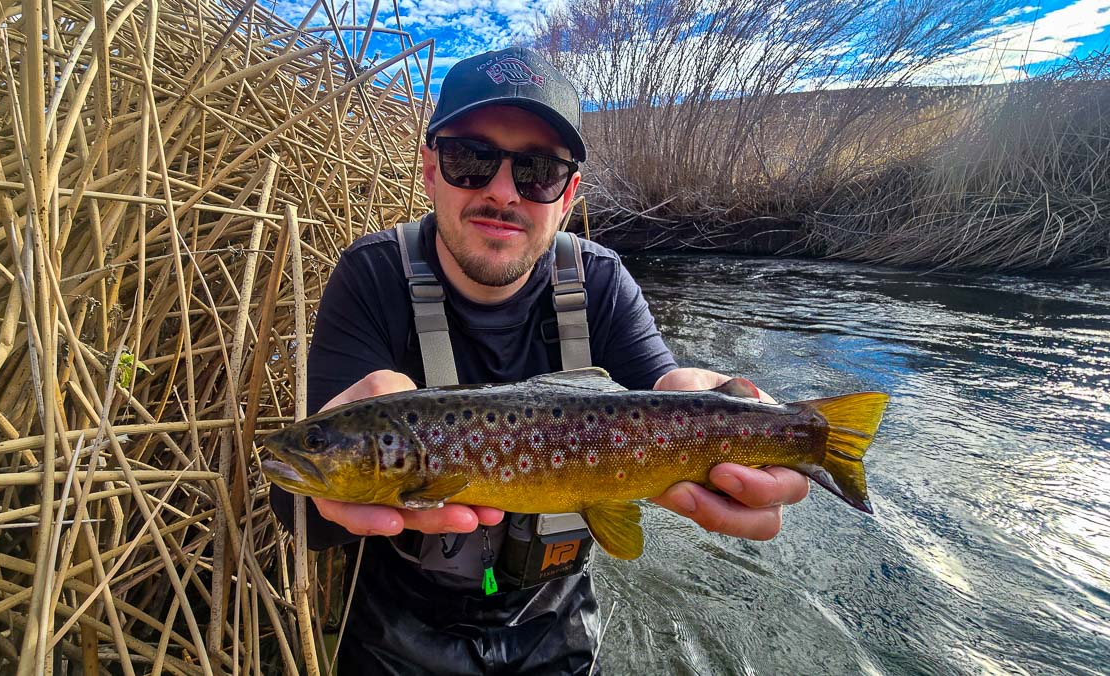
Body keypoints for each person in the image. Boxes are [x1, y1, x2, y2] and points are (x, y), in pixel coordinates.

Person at [270, 46, 809, 675]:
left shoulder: (601, 284)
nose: (502, 192)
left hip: (556, 615)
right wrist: (319, 498)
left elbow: (666, 388)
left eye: (537, 171)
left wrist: (736, 411)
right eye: (470, 158)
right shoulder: (371, 278)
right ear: (429, 168)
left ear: (568, 191)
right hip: (402, 621)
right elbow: (295, 511)